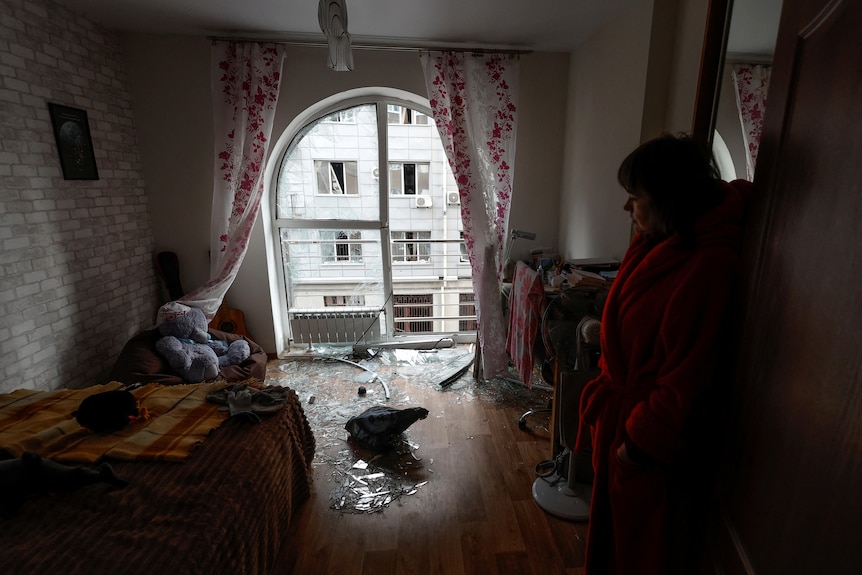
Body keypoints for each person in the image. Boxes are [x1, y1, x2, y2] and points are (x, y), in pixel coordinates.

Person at [573, 133, 752, 575]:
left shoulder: (708, 266)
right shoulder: (660, 242)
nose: (626, 208)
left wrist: (633, 448)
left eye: (634, 197)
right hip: (623, 425)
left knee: (640, 555)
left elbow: (686, 378)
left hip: (647, 450)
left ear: (672, 199)